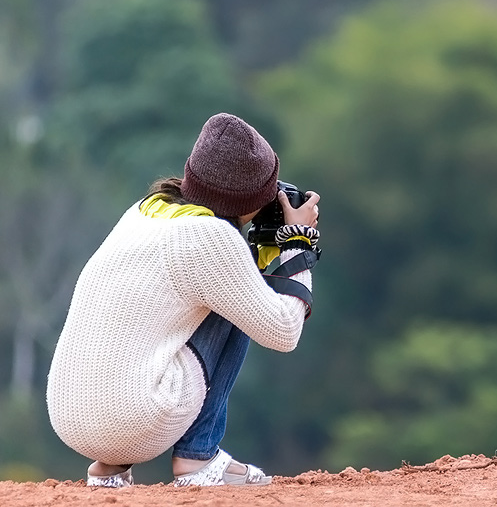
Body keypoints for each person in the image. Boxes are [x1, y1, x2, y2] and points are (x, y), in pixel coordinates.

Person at [47, 112, 321, 487]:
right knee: (245, 303)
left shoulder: (146, 211)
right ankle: (199, 457)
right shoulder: (210, 237)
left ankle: (109, 470)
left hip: (69, 419)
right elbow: (284, 332)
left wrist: (256, 249)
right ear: (252, 198)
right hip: (134, 420)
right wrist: (297, 242)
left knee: (226, 292)